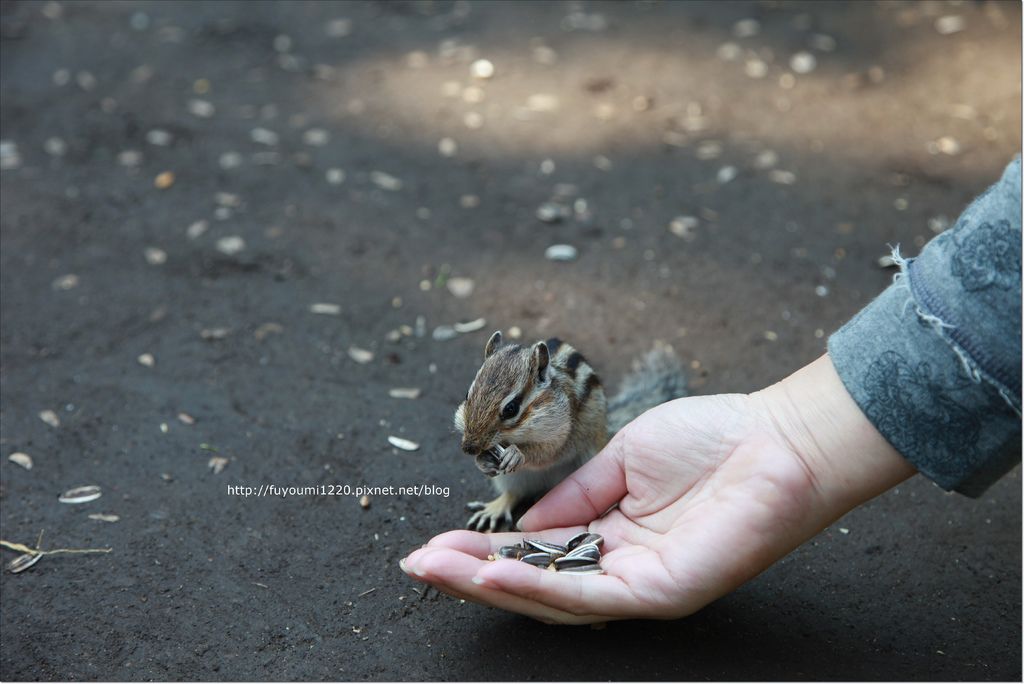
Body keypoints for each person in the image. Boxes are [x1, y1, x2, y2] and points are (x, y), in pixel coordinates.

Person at [399, 158, 1022, 624]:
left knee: (554, 458)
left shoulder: (553, 406)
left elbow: (549, 445)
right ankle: (509, 502)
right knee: (507, 475)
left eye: (510, 411)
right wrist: (796, 440)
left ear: (536, 382)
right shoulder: (495, 401)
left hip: (569, 444)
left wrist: (524, 453)